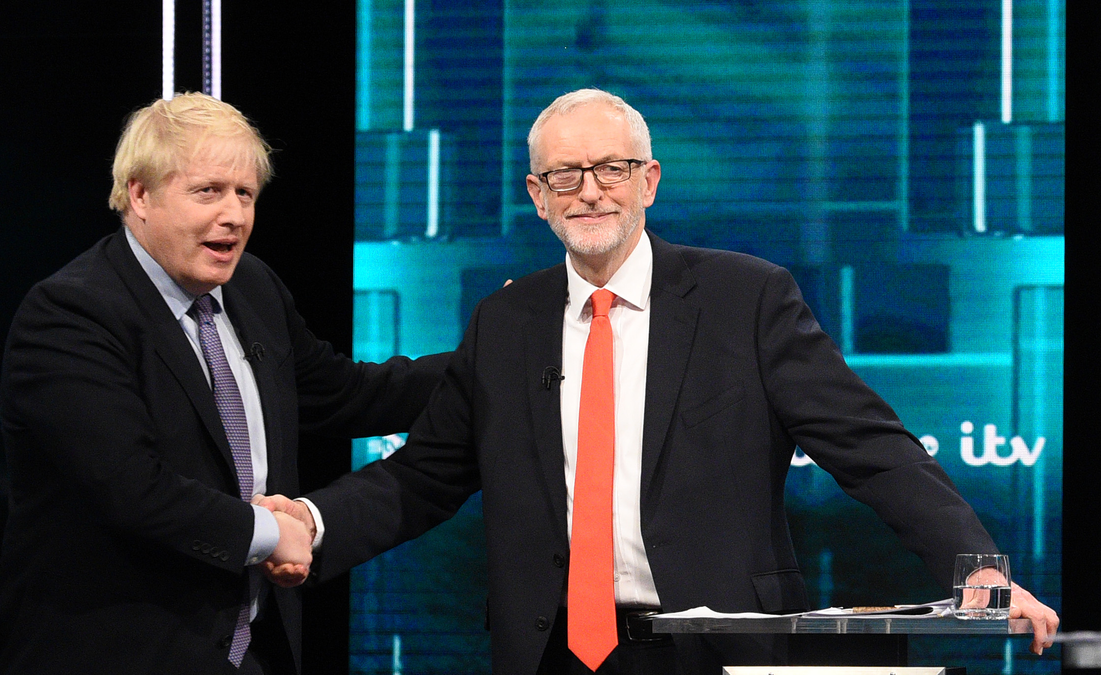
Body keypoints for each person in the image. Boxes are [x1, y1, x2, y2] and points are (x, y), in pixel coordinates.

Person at [261, 89, 1059, 674]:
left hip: (715, 644)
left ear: (650, 180)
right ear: (537, 199)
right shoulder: (507, 322)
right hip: (551, 651)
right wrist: (312, 521)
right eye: (565, 176)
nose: (591, 191)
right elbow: (425, 473)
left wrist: (976, 565)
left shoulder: (747, 297)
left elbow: (871, 447)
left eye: (611, 168)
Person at [0, 93, 449, 675]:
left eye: (245, 194)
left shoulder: (251, 286)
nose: (235, 215)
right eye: (209, 191)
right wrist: (274, 532)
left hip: (248, 650)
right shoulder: (72, 314)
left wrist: (491, 359)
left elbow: (344, 394)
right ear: (139, 196)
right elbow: (131, 490)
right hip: (116, 653)